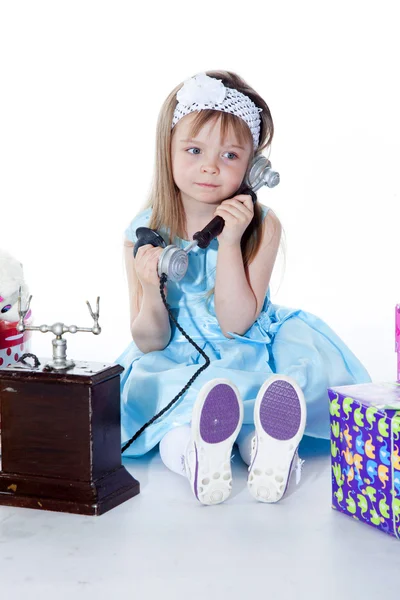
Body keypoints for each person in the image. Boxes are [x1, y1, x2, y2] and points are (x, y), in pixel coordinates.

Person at [116, 70, 371, 506]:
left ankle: (267, 453)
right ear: (168, 151)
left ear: (253, 166)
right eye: (194, 150)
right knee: (166, 407)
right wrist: (150, 285)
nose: (211, 166)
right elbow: (149, 340)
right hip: (170, 354)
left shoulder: (261, 225)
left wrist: (231, 240)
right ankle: (196, 455)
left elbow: (236, 323)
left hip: (240, 348)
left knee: (244, 398)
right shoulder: (144, 229)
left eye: (231, 155)